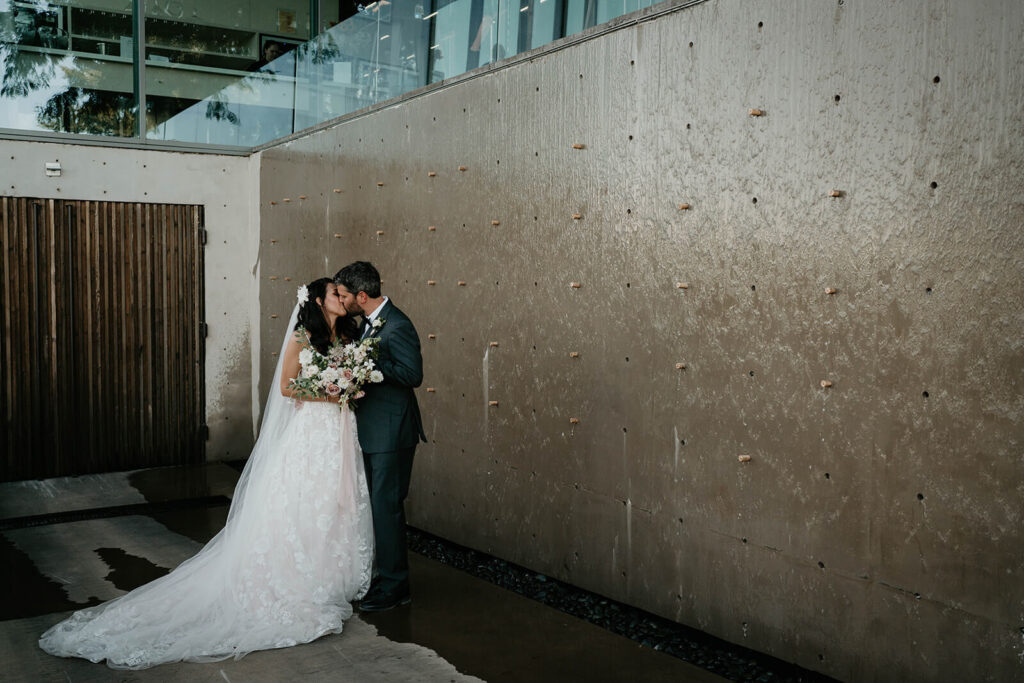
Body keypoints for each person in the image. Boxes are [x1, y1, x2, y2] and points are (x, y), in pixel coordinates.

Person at [38, 278, 374, 670]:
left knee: (331, 501)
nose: (342, 297)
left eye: (342, 293)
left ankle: (331, 574)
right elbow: (286, 388)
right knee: (302, 501)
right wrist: (330, 392)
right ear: (318, 301)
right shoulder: (302, 335)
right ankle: (297, 580)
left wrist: (347, 385)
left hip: (337, 432)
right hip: (311, 431)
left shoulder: (347, 334)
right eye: (335, 293)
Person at [333, 261, 426, 611]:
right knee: (375, 507)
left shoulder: (397, 325)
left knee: (386, 508)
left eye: (344, 295)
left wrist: (368, 364)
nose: (342, 301)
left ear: (362, 295)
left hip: (391, 433)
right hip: (373, 431)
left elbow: (412, 374)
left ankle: (395, 587)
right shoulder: (366, 324)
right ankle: (382, 577)